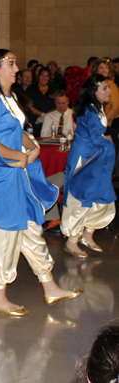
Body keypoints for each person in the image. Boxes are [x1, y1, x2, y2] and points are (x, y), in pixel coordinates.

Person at [0, 49, 82, 316]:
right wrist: (20, 157)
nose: (16, 67)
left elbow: (17, 129)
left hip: (17, 175)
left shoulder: (9, 98)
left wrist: (31, 146)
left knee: (31, 229)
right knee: (6, 234)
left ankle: (50, 286)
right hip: (3, 177)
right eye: (10, 63)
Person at [61, 74, 116, 258]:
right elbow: (95, 137)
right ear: (94, 91)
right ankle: (71, 241)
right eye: (105, 88)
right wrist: (110, 141)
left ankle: (87, 234)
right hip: (85, 159)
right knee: (80, 200)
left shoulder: (96, 108)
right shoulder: (89, 111)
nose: (109, 91)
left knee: (102, 196)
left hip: (95, 157)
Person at [26, 66, 55, 137]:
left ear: (49, 78)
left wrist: (48, 116)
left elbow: (56, 106)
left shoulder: (53, 90)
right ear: (38, 76)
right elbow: (28, 106)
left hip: (49, 122)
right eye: (42, 75)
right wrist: (42, 114)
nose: (44, 78)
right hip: (35, 122)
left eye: (46, 76)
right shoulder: (31, 89)